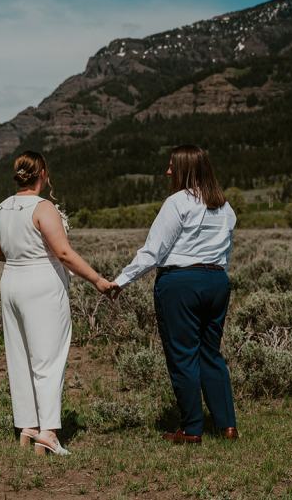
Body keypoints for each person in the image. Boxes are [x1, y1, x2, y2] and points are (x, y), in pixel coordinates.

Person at [0, 150, 118, 456]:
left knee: (19, 356)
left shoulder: (3, 207)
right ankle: (48, 431)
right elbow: (63, 253)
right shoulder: (43, 207)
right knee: (48, 357)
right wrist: (98, 280)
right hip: (41, 285)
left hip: (11, 283)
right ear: (42, 173)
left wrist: (20, 255)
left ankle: (27, 426)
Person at [114, 145, 238, 444]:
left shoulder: (176, 202)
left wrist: (119, 281)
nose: (168, 171)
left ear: (185, 169)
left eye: (172, 166)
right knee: (211, 353)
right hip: (217, 280)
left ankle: (192, 429)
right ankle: (227, 425)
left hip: (180, 283)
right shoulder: (225, 206)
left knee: (183, 356)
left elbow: (153, 251)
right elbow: (226, 251)